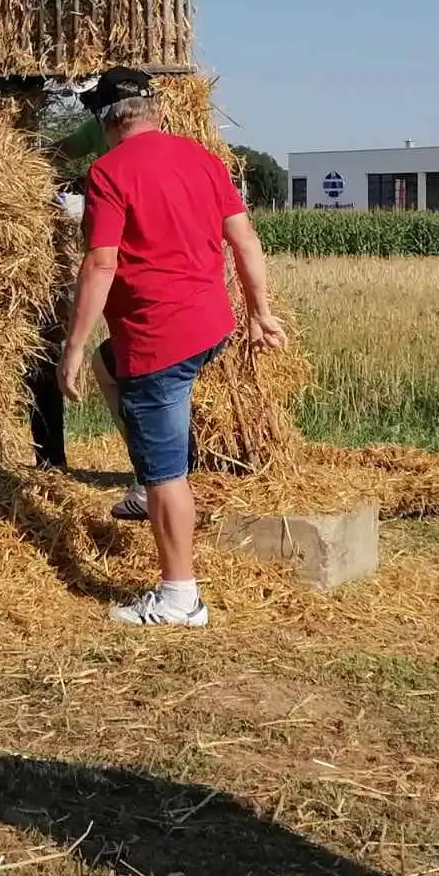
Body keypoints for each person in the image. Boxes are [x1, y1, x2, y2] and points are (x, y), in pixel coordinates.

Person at [57, 67, 287, 628]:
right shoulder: (203, 159)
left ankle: (180, 597)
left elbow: (100, 262)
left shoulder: (108, 172)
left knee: (167, 475)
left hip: (158, 339)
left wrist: (74, 345)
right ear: (154, 111)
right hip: (210, 326)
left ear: (105, 121)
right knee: (116, 372)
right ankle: (147, 480)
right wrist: (260, 313)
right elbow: (245, 238)